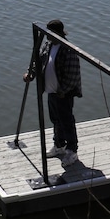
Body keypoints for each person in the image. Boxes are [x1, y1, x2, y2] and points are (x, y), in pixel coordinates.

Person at [24, 19, 82, 164]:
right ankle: (59, 145)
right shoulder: (48, 45)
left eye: (50, 32)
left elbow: (73, 74)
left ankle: (72, 151)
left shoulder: (68, 49)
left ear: (57, 33)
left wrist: (63, 90)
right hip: (51, 91)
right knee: (55, 120)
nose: (47, 35)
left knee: (66, 121)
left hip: (63, 93)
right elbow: (39, 61)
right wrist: (30, 73)